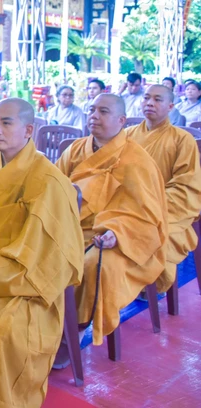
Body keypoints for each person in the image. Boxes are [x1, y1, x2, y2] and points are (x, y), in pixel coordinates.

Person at [0, 98, 83, 408]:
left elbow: (43, 254)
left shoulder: (47, 180)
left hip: (22, 284)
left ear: (28, 130)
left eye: (6, 123)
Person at [56, 94, 168, 346]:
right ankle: (42, 321)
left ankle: (75, 329)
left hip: (116, 237)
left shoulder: (137, 160)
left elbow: (147, 215)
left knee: (94, 264)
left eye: (103, 111)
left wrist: (116, 233)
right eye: (91, 110)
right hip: (70, 226)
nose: (94, 116)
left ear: (121, 120)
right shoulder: (76, 149)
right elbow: (53, 188)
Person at [127, 85, 201, 293]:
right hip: (127, 206)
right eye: (146, 98)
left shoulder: (182, 139)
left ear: (170, 106)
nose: (150, 103)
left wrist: (150, 205)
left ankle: (140, 285)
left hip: (166, 208)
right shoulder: (126, 136)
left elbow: (185, 185)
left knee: (151, 237)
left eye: (158, 99)